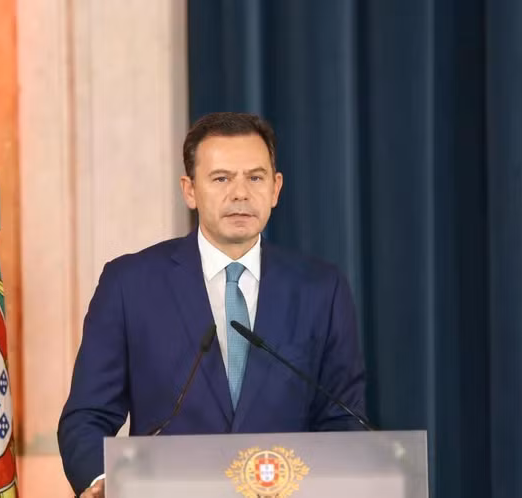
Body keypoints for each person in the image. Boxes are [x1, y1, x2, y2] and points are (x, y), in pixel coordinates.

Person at [58, 112, 367, 497]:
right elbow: (88, 416)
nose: (240, 194)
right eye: (221, 179)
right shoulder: (129, 285)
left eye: (255, 178)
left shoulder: (321, 288)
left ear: (276, 188)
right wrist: (102, 481)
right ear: (189, 190)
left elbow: (343, 419)